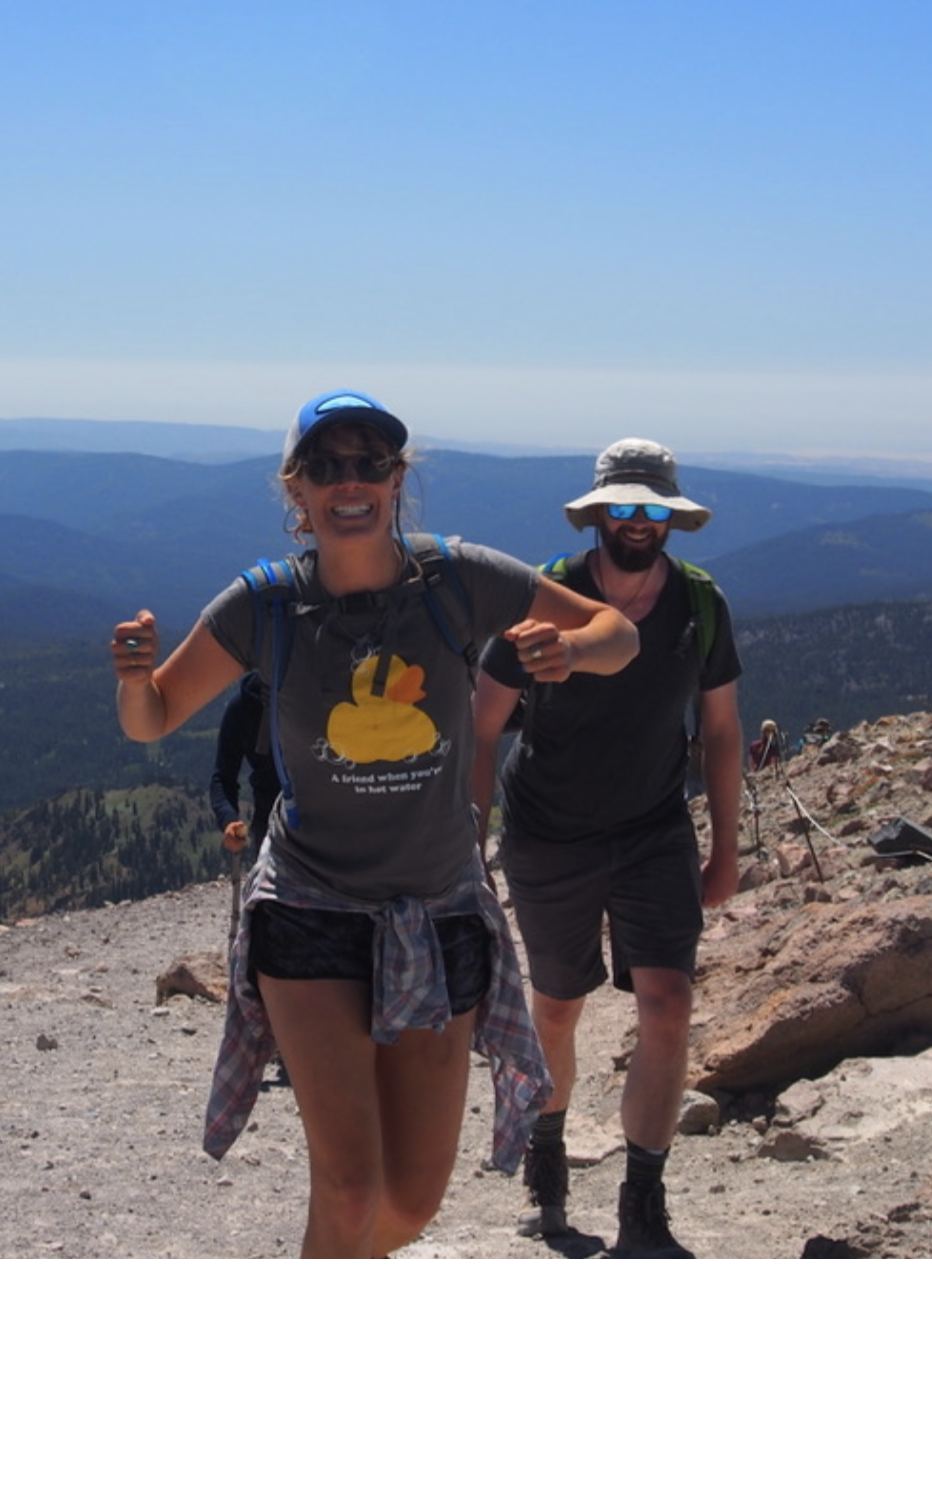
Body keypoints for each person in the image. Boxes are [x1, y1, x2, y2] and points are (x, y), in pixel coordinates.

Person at [113, 389, 637, 1259]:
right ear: (297, 490)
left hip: (437, 914)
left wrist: (572, 650)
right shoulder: (265, 606)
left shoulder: (459, 580)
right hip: (310, 910)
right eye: (326, 466)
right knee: (350, 1184)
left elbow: (618, 633)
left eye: (370, 464)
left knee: (411, 1202)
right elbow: (154, 714)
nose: (349, 481)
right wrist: (134, 677)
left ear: (398, 479)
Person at [472, 437, 743, 1258]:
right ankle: (548, 1161)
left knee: (668, 1002)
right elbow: (482, 728)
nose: (637, 522)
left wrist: (723, 850)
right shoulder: (540, 601)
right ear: (597, 514)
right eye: (622, 507)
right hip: (549, 833)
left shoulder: (700, 606)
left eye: (652, 508)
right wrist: (468, 842)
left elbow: (723, 730)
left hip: (654, 826)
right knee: (558, 1006)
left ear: (672, 518)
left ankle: (643, 1202)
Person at [208, 670, 280, 936]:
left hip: (277, 820)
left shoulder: (242, 706)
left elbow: (222, 778)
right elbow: (223, 778)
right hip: (272, 823)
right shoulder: (242, 709)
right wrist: (229, 819)